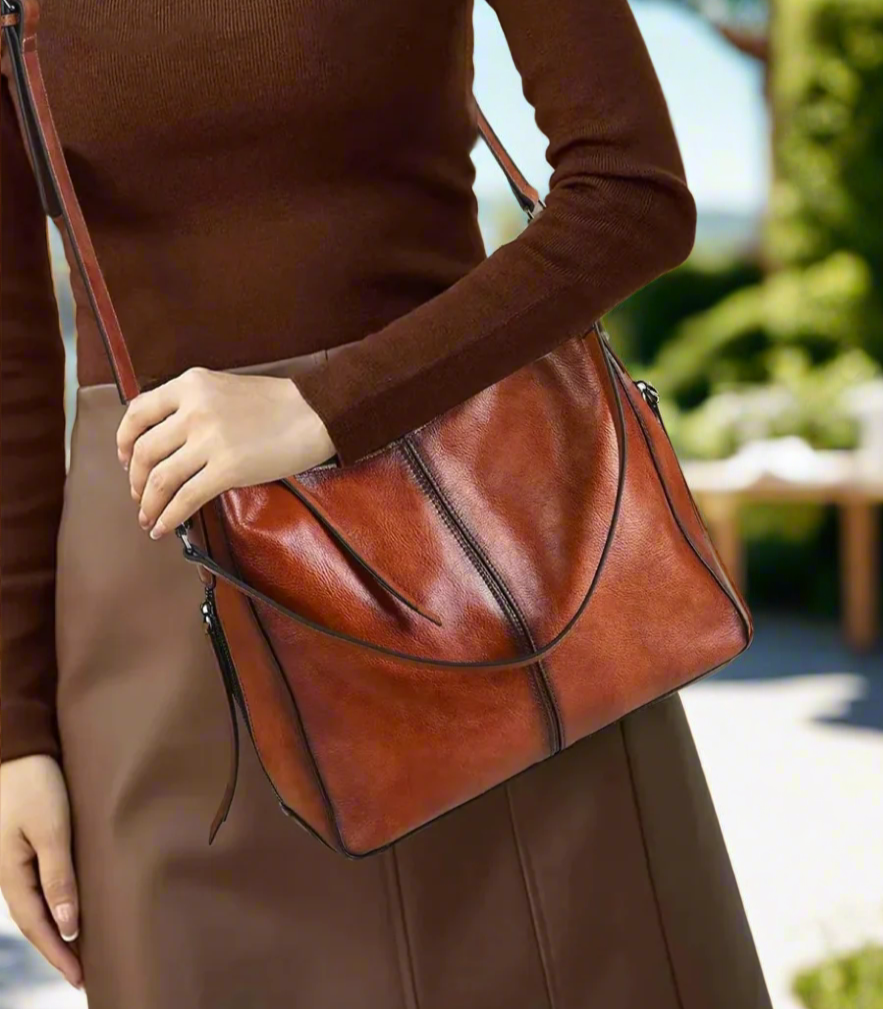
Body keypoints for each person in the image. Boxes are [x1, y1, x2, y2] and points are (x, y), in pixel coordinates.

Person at [0, 0, 772, 1006]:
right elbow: (10, 376)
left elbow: (633, 197)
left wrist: (323, 406)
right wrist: (13, 730)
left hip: (483, 575)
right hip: (167, 621)